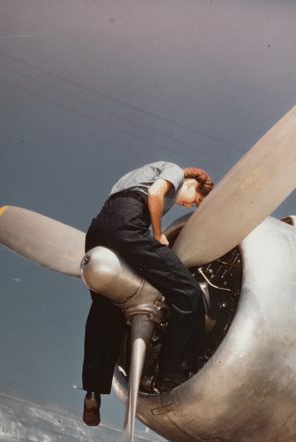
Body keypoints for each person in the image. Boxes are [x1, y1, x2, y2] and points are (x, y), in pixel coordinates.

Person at [81, 161, 214, 426]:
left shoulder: (131, 176)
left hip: (97, 232)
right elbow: (154, 194)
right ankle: (170, 376)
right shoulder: (174, 170)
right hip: (129, 223)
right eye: (195, 200)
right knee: (188, 293)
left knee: (108, 310)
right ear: (192, 183)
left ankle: (92, 391)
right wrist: (157, 233)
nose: (188, 205)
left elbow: (117, 206)